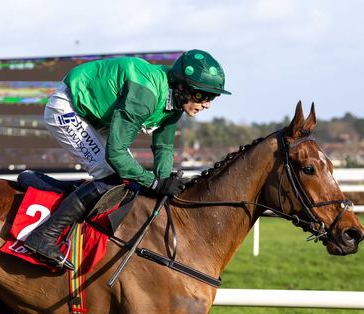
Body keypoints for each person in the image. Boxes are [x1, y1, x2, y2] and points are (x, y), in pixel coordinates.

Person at [23, 49, 231, 269]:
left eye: (212, 97)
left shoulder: (175, 102)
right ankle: (44, 235)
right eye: (202, 95)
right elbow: (116, 155)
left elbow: (163, 147)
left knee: (126, 178)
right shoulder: (146, 95)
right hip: (69, 106)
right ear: (181, 86)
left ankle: (43, 185)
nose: (207, 104)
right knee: (115, 174)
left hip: (95, 117)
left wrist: (163, 184)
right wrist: (154, 183)